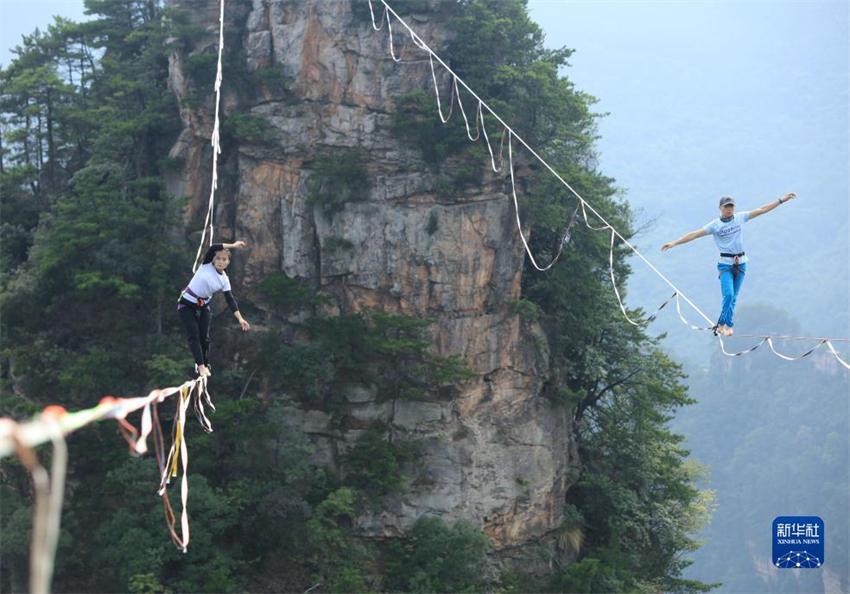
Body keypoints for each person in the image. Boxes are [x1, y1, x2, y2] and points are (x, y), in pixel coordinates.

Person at [661, 193, 796, 336]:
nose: (729, 209)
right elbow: (694, 234)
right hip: (725, 265)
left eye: (731, 206)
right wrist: (674, 243)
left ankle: (728, 324)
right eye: (726, 207)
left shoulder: (740, 217)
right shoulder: (715, 225)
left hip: (741, 263)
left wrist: (781, 200)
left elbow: (762, 210)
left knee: (734, 297)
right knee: (729, 295)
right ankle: (722, 325)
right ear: (720, 208)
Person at [178, 241, 250, 377]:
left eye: (224, 260)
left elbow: (230, 300)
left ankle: (204, 363)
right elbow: (213, 248)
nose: (220, 262)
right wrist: (233, 246)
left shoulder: (224, 280)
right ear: (213, 259)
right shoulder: (206, 265)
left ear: (228, 262)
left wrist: (240, 319)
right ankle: (200, 367)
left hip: (203, 306)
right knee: (194, 335)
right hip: (187, 304)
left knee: (204, 337)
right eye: (218, 258)